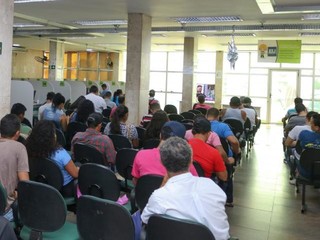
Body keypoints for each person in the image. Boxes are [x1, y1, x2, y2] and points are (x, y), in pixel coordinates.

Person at [141, 136, 231, 240]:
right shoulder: (212, 186)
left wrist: (162, 186)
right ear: (191, 160)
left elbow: (145, 219)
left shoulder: (159, 196)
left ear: (162, 162)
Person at [132, 121, 198, 184]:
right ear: (180, 141)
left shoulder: (141, 154)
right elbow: (194, 184)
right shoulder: (185, 165)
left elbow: (136, 181)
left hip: (144, 195)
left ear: (160, 135)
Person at [26, 120, 78, 197]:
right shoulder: (60, 153)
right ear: (52, 136)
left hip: (39, 184)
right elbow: (75, 174)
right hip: (62, 190)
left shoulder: (28, 149)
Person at [0, 114, 29, 221]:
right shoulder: (19, 148)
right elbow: (25, 183)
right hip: (6, 211)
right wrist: (17, 194)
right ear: (17, 134)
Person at [188, 117, 227, 181]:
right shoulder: (214, 152)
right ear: (209, 133)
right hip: (203, 186)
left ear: (193, 131)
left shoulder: (182, 147)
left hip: (186, 185)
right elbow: (223, 177)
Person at [294, 113, 320, 179]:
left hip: (307, 172)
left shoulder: (304, 134)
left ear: (317, 127)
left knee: (294, 155)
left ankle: (295, 176)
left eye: (311, 123)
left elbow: (299, 147)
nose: (310, 125)